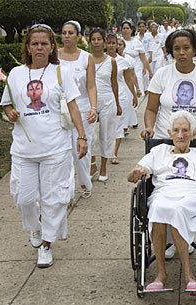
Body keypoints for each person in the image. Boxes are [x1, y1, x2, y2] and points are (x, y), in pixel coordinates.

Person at [0, 24, 87, 268]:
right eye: (35, 43)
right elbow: (6, 105)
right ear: (27, 47)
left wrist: (82, 136)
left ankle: (47, 243)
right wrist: (11, 114)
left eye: (44, 44)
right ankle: (35, 228)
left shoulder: (61, 73)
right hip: (23, 150)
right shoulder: (16, 73)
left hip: (55, 148)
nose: (39, 47)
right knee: (24, 198)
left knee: (53, 198)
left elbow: (72, 106)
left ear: (51, 48)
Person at [127, 111, 196, 292]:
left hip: (194, 196)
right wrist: (135, 174)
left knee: (176, 208)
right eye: (176, 130)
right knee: (158, 206)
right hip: (163, 194)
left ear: (193, 134)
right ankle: (160, 274)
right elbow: (132, 176)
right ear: (169, 133)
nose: (180, 135)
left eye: (185, 130)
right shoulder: (158, 151)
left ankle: (189, 276)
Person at [142, 28, 196, 142]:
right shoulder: (161, 74)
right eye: (176, 49)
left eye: (186, 48)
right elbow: (151, 109)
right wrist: (149, 127)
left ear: (194, 50)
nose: (181, 53)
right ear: (171, 52)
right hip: (164, 139)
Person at [59, 20, 97, 199]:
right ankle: (66, 188)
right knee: (63, 150)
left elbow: (91, 86)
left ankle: (84, 181)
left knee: (80, 150)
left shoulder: (86, 57)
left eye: (70, 33)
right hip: (60, 110)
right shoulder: (54, 56)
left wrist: (93, 107)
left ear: (78, 36)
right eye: (64, 33)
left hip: (82, 109)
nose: (66, 36)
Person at [89, 28, 122, 182]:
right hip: (90, 102)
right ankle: (92, 164)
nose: (96, 42)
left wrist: (117, 103)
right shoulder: (85, 59)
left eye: (99, 39)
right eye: (93, 39)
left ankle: (103, 166)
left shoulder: (112, 61)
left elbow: (114, 83)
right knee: (89, 135)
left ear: (104, 42)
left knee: (106, 135)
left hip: (108, 101)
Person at [110, 36, 138, 166]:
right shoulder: (95, 60)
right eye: (108, 43)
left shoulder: (123, 62)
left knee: (119, 124)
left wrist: (134, 94)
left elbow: (128, 80)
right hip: (104, 96)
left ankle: (114, 153)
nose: (111, 45)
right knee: (107, 127)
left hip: (121, 96)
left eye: (114, 43)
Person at [121, 20, 152, 102]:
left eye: (127, 28)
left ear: (131, 30)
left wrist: (149, 71)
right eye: (124, 28)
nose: (126, 30)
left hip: (136, 70)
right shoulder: (119, 42)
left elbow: (144, 58)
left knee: (137, 92)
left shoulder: (137, 42)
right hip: (122, 71)